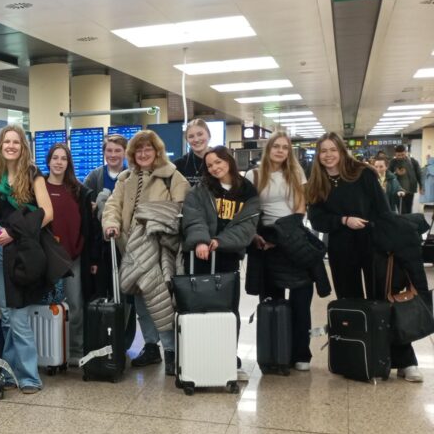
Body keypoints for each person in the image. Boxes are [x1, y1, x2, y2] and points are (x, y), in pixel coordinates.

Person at [307, 132, 422, 382]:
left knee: (383, 300)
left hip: (373, 244)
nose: (328, 155)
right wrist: (343, 220)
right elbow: (316, 219)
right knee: (351, 302)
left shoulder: (362, 173)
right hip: (341, 249)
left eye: (333, 150)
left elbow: (383, 210)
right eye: (323, 151)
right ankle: (359, 358)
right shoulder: (317, 182)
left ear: (341, 151)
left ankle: (405, 361)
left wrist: (391, 242)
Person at [103, 130, 190, 376]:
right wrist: (111, 223)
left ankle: (171, 350)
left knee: (161, 299)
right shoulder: (125, 178)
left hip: (161, 248)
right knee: (141, 299)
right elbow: (113, 206)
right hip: (131, 248)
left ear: (157, 151)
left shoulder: (172, 176)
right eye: (138, 150)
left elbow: (181, 211)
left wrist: (153, 220)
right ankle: (151, 346)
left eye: (148, 149)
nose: (143, 154)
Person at [0, 124, 54, 394]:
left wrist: (13, 232)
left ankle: (30, 377)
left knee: (18, 314)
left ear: (23, 147)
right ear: (0, 147)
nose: (11, 146)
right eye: (6, 142)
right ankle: (10, 370)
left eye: (16, 142)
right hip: (3, 251)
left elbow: (47, 213)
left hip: (25, 250)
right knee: (7, 315)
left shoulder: (33, 174)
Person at [181, 146, 260, 381]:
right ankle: (199, 354)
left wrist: (219, 241)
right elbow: (193, 217)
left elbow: (246, 226)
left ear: (229, 161)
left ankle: (227, 354)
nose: (215, 168)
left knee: (228, 308)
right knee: (199, 307)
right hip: (200, 257)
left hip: (227, 257)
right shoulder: (200, 190)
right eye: (210, 165)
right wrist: (202, 241)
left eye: (218, 162)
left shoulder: (247, 191)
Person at [245, 132, 321, 372]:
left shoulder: (296, 173)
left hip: (293, 239)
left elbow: (300, 207)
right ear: (268, 149)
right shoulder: (254, 175)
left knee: (301, 301)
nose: (280, 151)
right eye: (276, 146)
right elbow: (249, 210)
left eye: (285, 147)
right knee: (271, 299)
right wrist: (256, 236)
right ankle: (276, 352)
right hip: (265, 242)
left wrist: (286, 235)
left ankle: (301, 353)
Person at [45, 143, 97, 365]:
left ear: (69, 163)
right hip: (46, 257)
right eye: (55, 158)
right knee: (47, 307)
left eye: (63, 158)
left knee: (75, 305)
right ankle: (47, 351)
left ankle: (75, 350)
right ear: (48, 161)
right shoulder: (38, 188)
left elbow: (88, 227)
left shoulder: (79, 191)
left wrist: (91, 257)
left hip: (73, 257)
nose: (59, 162)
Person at [389, 144, 423, 213]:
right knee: (402, 210)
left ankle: (408, 219)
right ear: (395, 154)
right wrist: (396, 173)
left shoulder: (413, 161)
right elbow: (388, 174)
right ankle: (403, 220)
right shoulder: (393, 162)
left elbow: (419, 174)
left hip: (410, 190)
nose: (401, 157)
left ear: (406, 152)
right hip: (398, 190)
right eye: (398, 155)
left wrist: (421, 186)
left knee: (409, 209)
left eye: (402, 154)